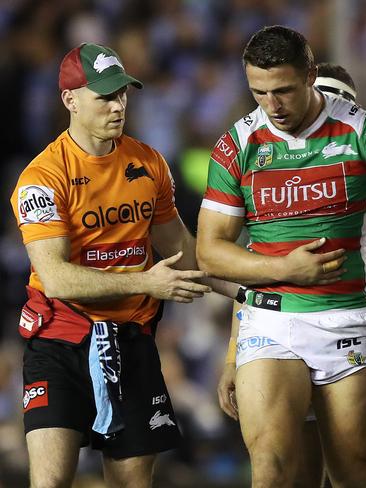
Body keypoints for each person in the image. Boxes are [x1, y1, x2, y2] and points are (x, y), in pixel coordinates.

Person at [197, 26, 366, 487]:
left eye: (284, 91)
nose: (273, 105)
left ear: (311, 75)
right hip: (270, 320)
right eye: (259, 93)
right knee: (272, 466)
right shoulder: (236, 145)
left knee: (354, 473)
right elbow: (210, 252)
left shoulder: (363, 131)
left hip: (349, 317)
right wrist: (284, 270)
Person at [9, 43, 241, 488]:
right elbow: (55, 277)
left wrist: (252, 290)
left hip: (132, 340)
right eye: (104, 97)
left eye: (123, 95)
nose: (118, 106)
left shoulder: (149, 162)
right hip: (60, 341)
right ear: (70, 100)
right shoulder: (41, 178)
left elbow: (182, 250)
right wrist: (147, 281)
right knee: (50, 482)